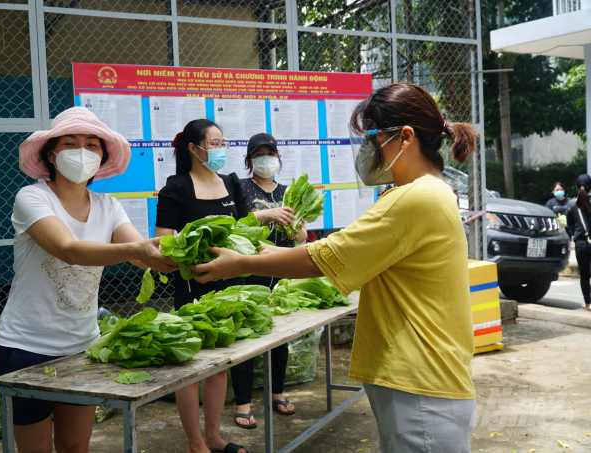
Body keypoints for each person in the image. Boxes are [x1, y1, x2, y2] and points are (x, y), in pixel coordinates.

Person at [188, 83, 479, 453]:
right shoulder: (430, 192)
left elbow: (320, 258)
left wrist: (242, 262)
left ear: (405, 137)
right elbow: (335, 252)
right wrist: (261, 251)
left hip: (420, 385)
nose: (367, 151)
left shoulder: (413, 198)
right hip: (423, 379)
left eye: (372, 138)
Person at [0, 107, 177, 453]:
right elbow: (69, 249)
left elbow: (139, 252)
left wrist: (176, 257)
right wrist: (140, 250)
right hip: (27, 347)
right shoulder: (32, 197)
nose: (82, 151)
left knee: (76, 447)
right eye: (70, 143)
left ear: (102, 156)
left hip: (83, 346)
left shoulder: (108, 205)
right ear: (51, 153)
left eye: (92, 144)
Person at [154, 119, 250, 453]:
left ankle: (214, 437)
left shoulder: (231, 183)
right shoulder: (176, 188)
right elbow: (162, 244)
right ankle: (196, 443)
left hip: (231, 286)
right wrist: (192, 249)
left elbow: (245, 230)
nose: (221, 149)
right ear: (194, 149)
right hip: (194, 290)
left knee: (220, 364)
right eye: (214, 143)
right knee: (192, 366)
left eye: (223, 143)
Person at [231, 133, 307, 429]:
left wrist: (297, 225)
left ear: (278, 157)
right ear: (249, 160)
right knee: (248, 338)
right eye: (259, 153)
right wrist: (267, 214)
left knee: (280, 337)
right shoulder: (240, 187)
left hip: (282, 271)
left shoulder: (289, 192)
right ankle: (243, 404)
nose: (266, 158)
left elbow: (300, 237)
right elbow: (237, 225)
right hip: (248, 271)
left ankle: (277, 394)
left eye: (270, 152)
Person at [565, 174, 591, 311]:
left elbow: (570, 226)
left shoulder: (571, 204)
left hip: (581, 244)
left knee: (585, 275)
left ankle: (588, 303)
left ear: (576, 187)